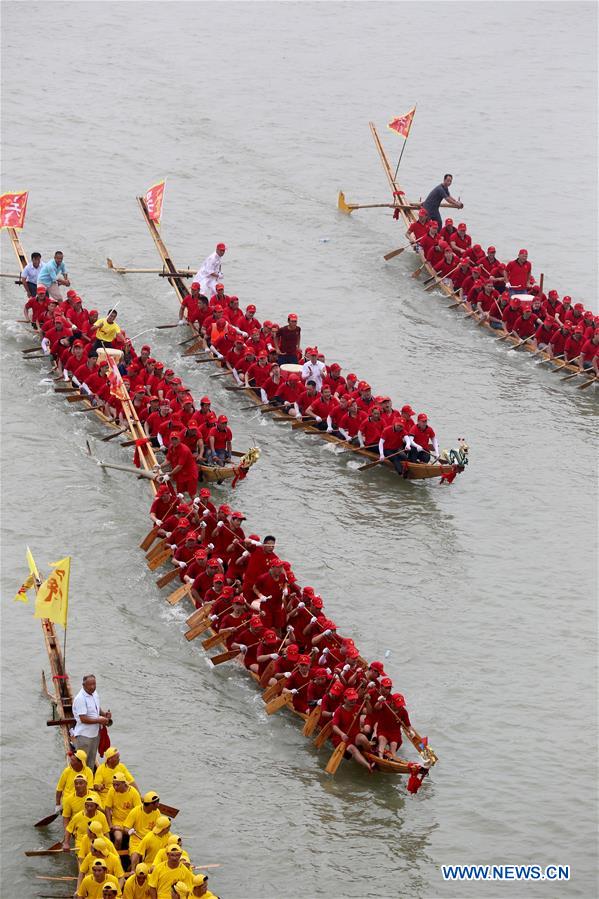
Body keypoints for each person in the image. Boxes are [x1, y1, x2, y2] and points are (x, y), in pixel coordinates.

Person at [72, 674, 111, 770]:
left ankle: (89, 780)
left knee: (91, 760)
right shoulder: (80, 698)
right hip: (84, 736)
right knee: (81, 763)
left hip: (95, 734)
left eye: (94, 684)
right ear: (83, 685)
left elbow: (97, 708)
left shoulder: (94, 693)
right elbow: (83, 719)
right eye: (90, 685)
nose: (92, 687)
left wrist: (104, 714)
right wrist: (99, 720)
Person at [103, 772, 142, 848]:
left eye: (117, 785)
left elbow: (139, 810)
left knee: (138, 839)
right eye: (114, 784)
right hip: (117, 821)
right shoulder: (112, 790)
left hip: (130, 823)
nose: (115, 787)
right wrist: (110, 825)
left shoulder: (133, 792)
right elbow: (107, 808)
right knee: (118, 838)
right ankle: (116, 855)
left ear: (124, 784)